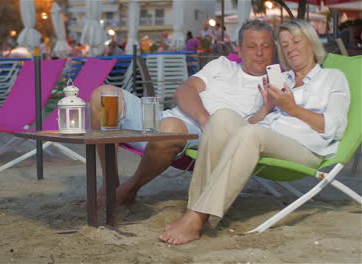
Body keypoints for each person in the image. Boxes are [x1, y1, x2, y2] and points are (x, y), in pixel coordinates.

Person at [158, 19, 350, 245]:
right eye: (284, 44)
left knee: (252, 134)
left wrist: (292, 108)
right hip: (266, 137)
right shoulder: (280, 79)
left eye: (296, 41)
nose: (290, 47)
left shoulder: (331, 77)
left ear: (312, 44)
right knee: (222, 116)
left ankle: (196, 218)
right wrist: (264, 109)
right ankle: (195, 206)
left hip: (306, 148)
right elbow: (252, 123)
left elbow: (335, 127)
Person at [89, 20, 275, 208]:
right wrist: (205, 119)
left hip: (204, 137)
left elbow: (249, 132)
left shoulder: (276, 85)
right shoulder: (221, 65)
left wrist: (264, 110)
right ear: (240, 50)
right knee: (104, 95)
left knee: (170, 127)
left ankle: (130, 189)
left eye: (265, 46)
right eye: (252, 46)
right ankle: (110, 180)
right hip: (172, 119)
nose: (259, 53)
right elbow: (183, 91)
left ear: (273, 49)